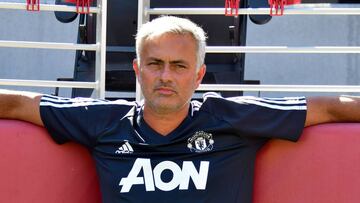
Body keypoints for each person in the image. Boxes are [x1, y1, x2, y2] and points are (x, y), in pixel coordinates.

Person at [1, 16, 360, 203]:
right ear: (137, 70)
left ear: (199, 75)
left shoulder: (232, 116)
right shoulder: (102, 121)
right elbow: (19, 104)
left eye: (179, 66)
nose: (166, 76)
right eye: (155, 64)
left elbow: (330, 109)